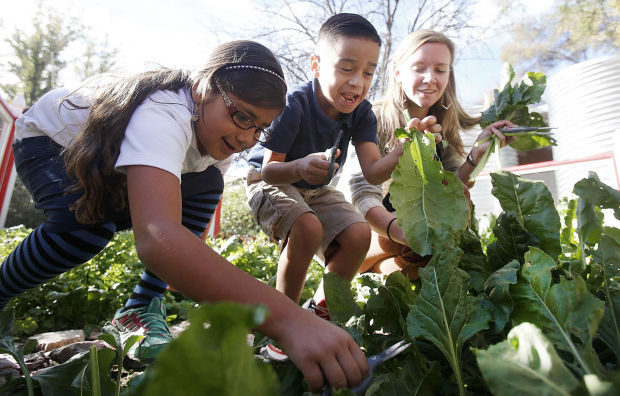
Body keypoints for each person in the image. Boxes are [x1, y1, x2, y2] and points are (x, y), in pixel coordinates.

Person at [0, 40, 367, 392]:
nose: (246, 138)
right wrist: (288, 319)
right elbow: (158, 238)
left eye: (259, 128)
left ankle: (140, 308)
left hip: (110, 165)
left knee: (208, 183)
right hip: (50, 144)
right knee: (83, 231)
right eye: (241, 116)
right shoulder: (165, 113)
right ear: (201, 88)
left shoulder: (216, 144)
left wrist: (186, 261)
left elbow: (179, 225)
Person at [246, 14, 440, 316]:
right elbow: (270, 170)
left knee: (359, 234)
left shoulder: (362, 114)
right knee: (306, 227)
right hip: (270, 180)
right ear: (316, 65)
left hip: (314, 188)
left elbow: (374, 171)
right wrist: (300, 168)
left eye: (367, 73)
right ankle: (283, 321)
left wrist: (404, 149)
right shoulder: (294, 105)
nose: (356, 82)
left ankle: (321, 311)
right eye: (346, 68)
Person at [344, 29, 517, 279]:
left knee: (459, 205)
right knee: (423, 249)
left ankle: (386, 277)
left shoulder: (442, 123)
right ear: (398, 73)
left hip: (408, 237)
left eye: (440, 69)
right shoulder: (372, 118)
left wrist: (477, 154)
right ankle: (359, 274)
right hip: (364, 229)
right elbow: (359, 196)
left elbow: (452, 194)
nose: (430, 78)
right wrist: (403, 231)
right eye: (419, 68)